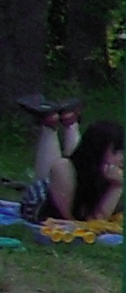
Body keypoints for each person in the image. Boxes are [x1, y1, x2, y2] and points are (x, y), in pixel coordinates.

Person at [16, 92, 118, 226]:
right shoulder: (63, 168)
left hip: (74, 193)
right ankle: (54, 124)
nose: (123, 158)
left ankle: (65, 122)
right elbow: (79, 220)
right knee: (54, 175)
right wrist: (116, 187)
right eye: (117, 152)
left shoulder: (111, 172)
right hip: (44, 203)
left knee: (80, 163)